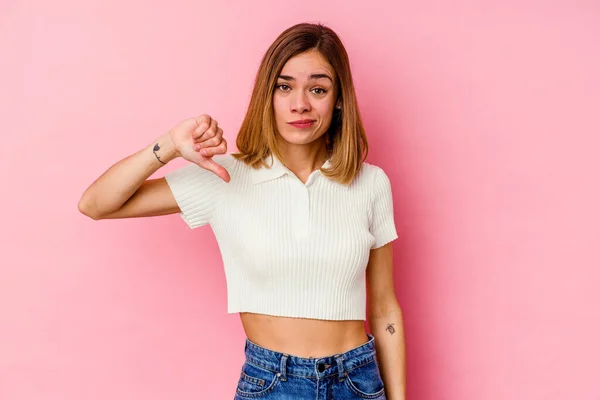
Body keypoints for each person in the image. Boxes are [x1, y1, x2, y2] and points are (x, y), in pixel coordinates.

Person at [79, 22, 405, 400]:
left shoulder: (370, 183)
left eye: (317, 89)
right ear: (267, 95)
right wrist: (168, 145)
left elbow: (384, 309)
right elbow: (96, 204)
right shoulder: (225, 176)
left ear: (338, 100)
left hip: (357, 381)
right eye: (284, 87)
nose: (300, 103)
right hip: (272, 383)